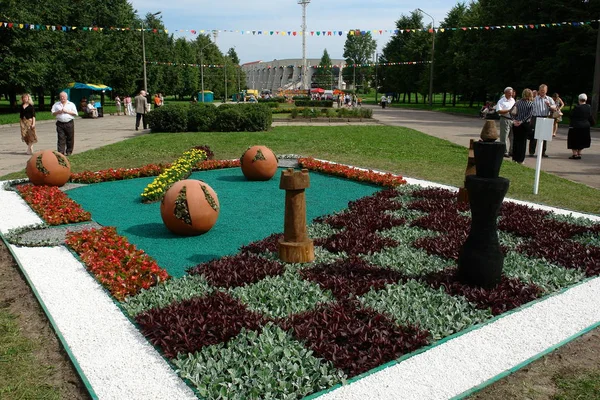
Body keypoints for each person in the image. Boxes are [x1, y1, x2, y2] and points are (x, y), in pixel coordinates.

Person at [529, 84, 556, 158]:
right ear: (539, 91)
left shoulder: (549, 99)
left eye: (544, 91)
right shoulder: (535, 99)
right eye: (541, 91)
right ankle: (532, 151)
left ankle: (543, 152)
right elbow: (531, 109)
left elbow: (554, 108)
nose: (542, 92)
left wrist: (549, 105)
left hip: (545, 117)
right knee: (534, 135)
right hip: (536, 117)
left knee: (544, 136)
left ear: (546, 91)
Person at [511, 88, 535, 164]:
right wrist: (522, 121)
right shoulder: (531, 104)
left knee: (516, 141)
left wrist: (514, 120)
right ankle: (520, 159)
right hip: (524, 124)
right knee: (522, 142)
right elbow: (530, 115)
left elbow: (512, 111)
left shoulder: (517, 102)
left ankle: (514, 158)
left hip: (516, 123)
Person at [567, 93, 595, 160]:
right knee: (582, 140)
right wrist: (592, 123)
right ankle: (579, 152)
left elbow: (571, 116)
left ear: (579, 99)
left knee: (573, 140)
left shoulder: (577, 107)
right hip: (585, 126)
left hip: (576, 126)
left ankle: (574, 154)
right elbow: (590, 117)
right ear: (586, 99)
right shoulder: (588, 107)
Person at [51, 91, 78, 156]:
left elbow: (75, 113)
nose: (62, 98)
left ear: (66, 97)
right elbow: (53, 113)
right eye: (61, 97)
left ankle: (69, 151)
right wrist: (58, 112)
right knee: (61, 138)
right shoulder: (56, 104)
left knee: (70, 138)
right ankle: (61, 152)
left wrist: (67, 111)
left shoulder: (71, 104)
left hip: (69, 123)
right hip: (60, 123)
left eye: (64, 97)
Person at [496, 87, 515, 157]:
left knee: (512, 136)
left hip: (512, 120)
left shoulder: (513, 100)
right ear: (505, 93)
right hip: (504, 119)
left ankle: (512, 151)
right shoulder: (501, 101)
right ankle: (504, 151)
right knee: (504, 136)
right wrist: (508, 110)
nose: (511, 94)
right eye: (509, 93)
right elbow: (498, 110)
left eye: (511, 93)